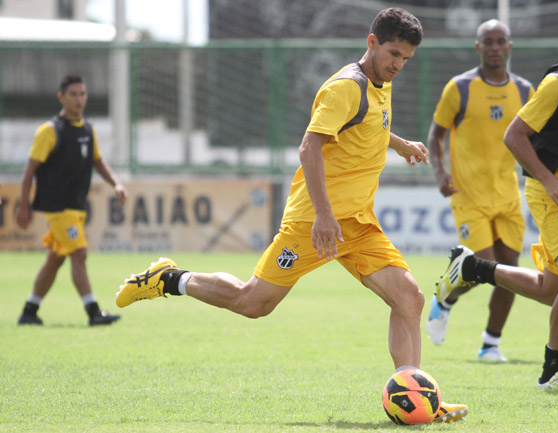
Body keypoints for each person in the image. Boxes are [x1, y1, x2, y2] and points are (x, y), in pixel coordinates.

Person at [116, 8, 467, 423]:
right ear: (372, 42)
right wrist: (322, 215)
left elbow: (362, 126)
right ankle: (170, 278)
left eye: (405, 60)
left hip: (357, 223)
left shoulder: (379, 82)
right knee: (253, 303)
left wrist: (398, 143)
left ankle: (418, 396)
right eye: (393, 54)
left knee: (409, 298)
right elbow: (309, 148)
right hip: (313, 223)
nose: (397, 65)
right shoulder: (344, 87)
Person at [436, 0, 558, 389]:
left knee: (553, 291)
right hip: (550, 190)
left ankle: (473, 269)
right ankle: (552, 371)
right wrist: (548, 179)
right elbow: (515, 135)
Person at [426, 19, 534, 362]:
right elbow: (435, 135)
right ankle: (446, 296)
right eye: (488, 41)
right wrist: (440, 173)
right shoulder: (460, 87)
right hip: (468, 194)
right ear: (478, 47)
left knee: (512, 273)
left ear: (510, 46)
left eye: (500, 41)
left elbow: (537, 138)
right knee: (484, 266)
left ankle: (490, 343)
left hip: (508, 195)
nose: (494, 47)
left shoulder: (525, 91)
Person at [16, 74, 128, 326]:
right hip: (57, 206)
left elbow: (98, 162)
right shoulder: (50, 130)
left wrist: (116, 183)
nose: (79, 99)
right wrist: (24, 205)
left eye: (82, 94)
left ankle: (29, 310)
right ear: (61, 97)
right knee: (79, 253)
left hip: (75, 206)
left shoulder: (88, 129)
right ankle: (93, 312)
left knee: (55, 260)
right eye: (73, 94)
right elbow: (30, 170)